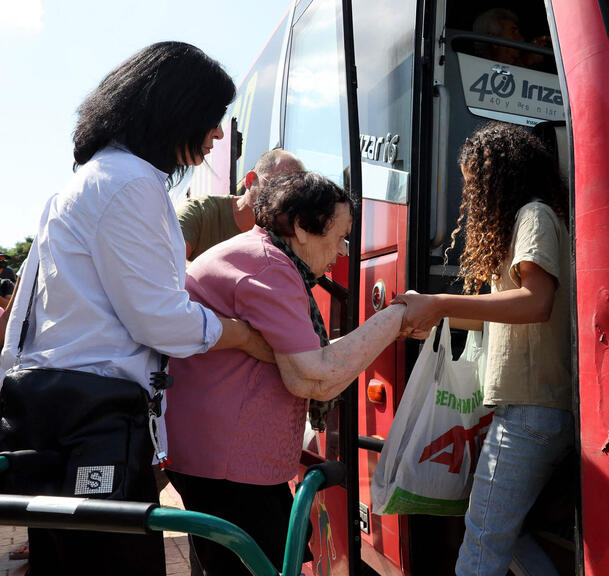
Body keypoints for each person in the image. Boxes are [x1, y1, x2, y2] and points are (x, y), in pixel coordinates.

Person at [0, 41, 273, 576]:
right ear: (177, 109)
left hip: (54, 416)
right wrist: (242, 334)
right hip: (99, 422)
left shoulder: (87, 180)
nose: (219, 133)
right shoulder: (133, 184)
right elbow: (161, 321)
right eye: (214, 118)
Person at [165, 171, 407, 576]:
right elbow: (313, 374)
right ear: (300, 226)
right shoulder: (269, 266)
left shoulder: (266, 257)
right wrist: (397, 317)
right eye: (340, 235)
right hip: (229, 466)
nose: (344, 251)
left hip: (228, 462)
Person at [394, 122, 571, 576]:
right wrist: (432, 317)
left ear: (501, 178)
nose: (471, 199)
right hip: (534, 410)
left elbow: (536, 303)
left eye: (476, 185)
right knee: (509, 537)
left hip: (530, 411)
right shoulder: (532, 218)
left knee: (479, 551)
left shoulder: (534, 215)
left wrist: (439, 301)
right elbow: (504, 317)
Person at [177, 149, 305, 260]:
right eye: (275, 186)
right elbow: (169, 267)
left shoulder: (290, 241)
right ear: (250, 180)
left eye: (292, 193)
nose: (282, 198)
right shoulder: (200, 211)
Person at [472, 7, 550, 68]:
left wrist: (527, 61)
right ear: (494, 40)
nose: (522, 39)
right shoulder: (470, 70)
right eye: (513, 32)